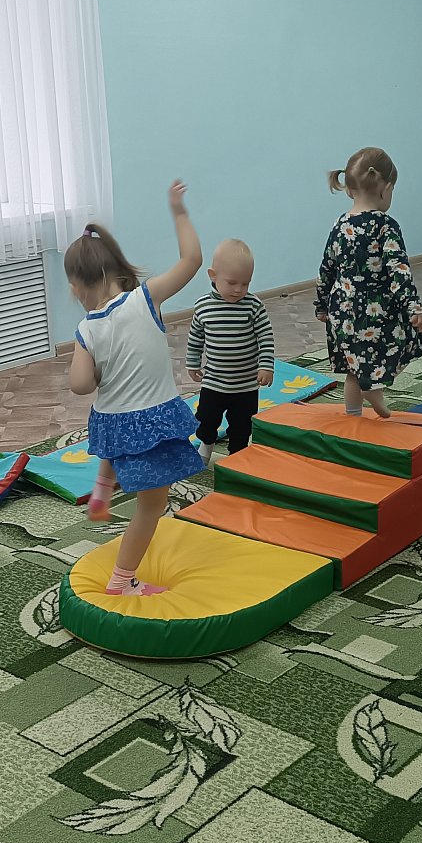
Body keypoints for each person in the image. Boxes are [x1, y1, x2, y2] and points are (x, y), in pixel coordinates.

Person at [66, 182, 203, 596]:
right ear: (114, 269)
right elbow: (192, 260)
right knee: (151, 507)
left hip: (112, 423)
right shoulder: (146, 298)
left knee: (115, 423)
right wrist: (179, 211)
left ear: (78, 286)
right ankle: (122, 580)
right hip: (149, 418)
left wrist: (97, 368)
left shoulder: (87, 328)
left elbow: (79, 386)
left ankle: (103, 487)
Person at [315, 147, 422, 418]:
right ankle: (373, 388)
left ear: (349, 190)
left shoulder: (340, 224)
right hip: (375, 312)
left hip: (342, 311)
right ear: (386, 189)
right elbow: (399, 270)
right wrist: (413, 307)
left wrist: (321, 305)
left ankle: (353, 416)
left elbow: (326, 267)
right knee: (413, 339)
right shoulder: (386, 225)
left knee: (354, 366)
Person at [186, 239, 274, 464]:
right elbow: (195, 338)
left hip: (245, 384)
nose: (238, 289)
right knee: (206, 419)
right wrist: (193, 363)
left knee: (242, 425)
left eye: (245, 283)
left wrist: (266, 366)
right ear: (213, 275)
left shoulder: (253, 306)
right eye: (232, 282)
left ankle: (237, 456)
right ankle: (207, 443)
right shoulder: (203, 306)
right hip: (214, 381)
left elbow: (265, 338)